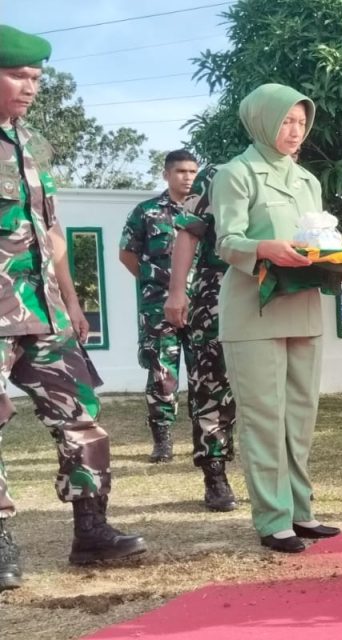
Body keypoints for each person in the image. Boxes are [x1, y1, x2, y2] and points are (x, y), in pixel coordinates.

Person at [0, 25, 147, 591]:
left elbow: (51, 228)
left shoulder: (31, 143)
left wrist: (71, 299)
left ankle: (92, 531)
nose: (30, 86)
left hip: (45, 310)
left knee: (81, 416)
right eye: (18, 74)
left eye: (36, 77)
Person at [211, 83, 339, 553]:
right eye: (286, 121)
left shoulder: (308, 180)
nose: (295, 131)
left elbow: (315, 238)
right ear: (263, 121)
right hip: (253, 309)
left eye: (301, 122)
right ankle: (273, 519)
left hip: (302, 305)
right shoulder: (236, 173)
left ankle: (302, 512)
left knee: (301, 417)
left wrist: (339, 258)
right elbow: (226, 241)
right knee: (264, 417)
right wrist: (264, 248)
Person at [163, 164, 238, 511]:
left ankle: (279, 477)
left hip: (271, 292)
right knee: (212, 383)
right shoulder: (219, 175)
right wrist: (177, 291)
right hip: (217, 294)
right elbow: (189, 232)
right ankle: (215, 473)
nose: (295, 134)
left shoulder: (294, 178)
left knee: (272, 387)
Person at [119, 150, 199, 463]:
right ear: (166, 174)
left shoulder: (204, 212)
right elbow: (127, 254)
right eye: (181, 171)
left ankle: (203, 437)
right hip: (158, 307)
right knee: (161, 373)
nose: (188, 177)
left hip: (200, 306)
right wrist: (155, 283)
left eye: (192, 171)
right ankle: (162, 440)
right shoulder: (146, 211)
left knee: (203, 372)